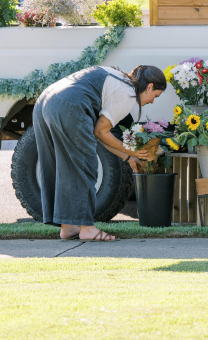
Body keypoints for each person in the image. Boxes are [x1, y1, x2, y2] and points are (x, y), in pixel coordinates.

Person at [34, 64, 167, 242]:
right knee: (85, 164)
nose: (152, 101)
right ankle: (87, 229)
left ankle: (69, 227)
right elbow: (100, 132)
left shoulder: (118, 78)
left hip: (46, 101)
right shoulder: (127, 93)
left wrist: (128, 157)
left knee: (61, 164)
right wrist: (134, 151)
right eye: (155, 96)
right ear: (149, 86)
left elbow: (101, 135)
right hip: (68, 105)